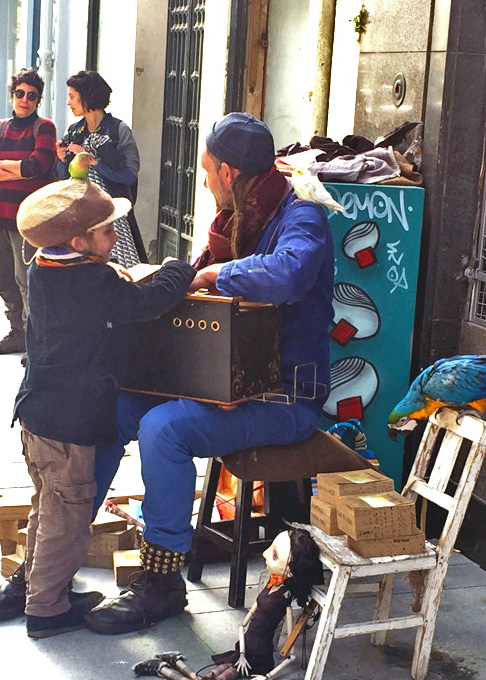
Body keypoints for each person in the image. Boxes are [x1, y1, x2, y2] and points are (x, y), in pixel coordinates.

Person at [84, 112, 334, 635]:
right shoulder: (235, 219)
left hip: (284, 398)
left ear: (227, 171)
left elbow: (286, 275)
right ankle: (58, 552)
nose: (201, 179)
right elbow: (195, 281)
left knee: (164, 428)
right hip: (222, 384)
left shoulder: (301, 218)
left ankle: (162, 582)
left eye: (205, 169)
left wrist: (223, 273)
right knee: (108, 409)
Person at [8, 166, 195, 638]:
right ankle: (47, 609)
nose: (114, 237)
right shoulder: (92, 282)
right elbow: (148, 301)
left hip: (37, 414)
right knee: (67, 519)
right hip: (69, 423)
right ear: (76, 242)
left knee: (47, 507)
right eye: (106, 231)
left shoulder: (44, 267)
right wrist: (178, 268)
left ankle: (37, 587)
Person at [56, 70, 146, 268]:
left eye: (72, 97)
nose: (68, 103)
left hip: (115, 219)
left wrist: (94, 162)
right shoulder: (73, 132)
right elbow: (66, 181)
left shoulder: (118, 131)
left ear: (86, 97)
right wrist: (62, 160)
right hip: (81, 219)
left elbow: (129, 177)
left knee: (121, 270)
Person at [0, 67, 56, 357]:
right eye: (20, 93)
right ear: (12, 96)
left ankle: (35, 342)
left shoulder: (44, 127)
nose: (25, 99)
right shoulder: (2, 128)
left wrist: (6, 167)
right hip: (1, 218)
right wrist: (19, 167)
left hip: (28, 220)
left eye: (31, 96)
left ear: (37, 100)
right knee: (5, 279)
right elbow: (27, 166)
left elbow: (38, 165)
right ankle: (17, 333)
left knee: (27, 280)